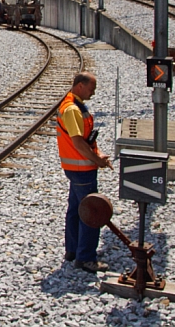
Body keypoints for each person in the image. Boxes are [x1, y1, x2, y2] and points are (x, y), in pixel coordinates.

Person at [56, 71, 112, 272]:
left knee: (75, 209)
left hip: (77, 167)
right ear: (80, 85)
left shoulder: (76, 104)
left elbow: (87, 139)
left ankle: (72, 250)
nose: (93, 93)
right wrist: (97, 160)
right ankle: (85, 257)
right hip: (81, 168)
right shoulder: (72, 109)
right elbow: (78, 143)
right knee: (91, 212)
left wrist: (99, 153)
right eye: (91, 89)